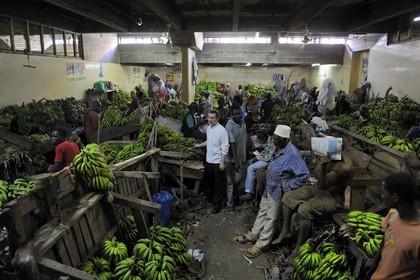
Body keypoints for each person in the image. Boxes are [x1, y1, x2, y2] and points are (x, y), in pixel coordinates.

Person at [230, 125, 310, 258]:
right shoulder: (278, 147)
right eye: (274, 137)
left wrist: (286, 186)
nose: (274, 140)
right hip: (270, 187)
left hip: (279, 189)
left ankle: (262, 244)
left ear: (285, 139)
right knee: (263, 211)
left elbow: (304, 175)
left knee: (271, 218)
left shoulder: (293, 154)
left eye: (277, 139)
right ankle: (252, 236)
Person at [273, 148, 354, 263]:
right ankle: (286, 231)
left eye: (333, 144)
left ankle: (298, 249)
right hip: (318, 188)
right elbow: (316, 173)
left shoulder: (344, 166)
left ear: (341, 146)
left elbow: (322, 184)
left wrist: (324, 166)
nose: (330, 146)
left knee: (304, 210)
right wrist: (323, 164)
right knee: (288, 197)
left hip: (333, 196)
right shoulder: (331, 156)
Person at [366, 172, 420, 280]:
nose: (381, 196)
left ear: (395, 197)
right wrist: (376, 260)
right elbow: (387, 236)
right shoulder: (393, 214)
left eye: (383, 193)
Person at [194, 110, 229, 214]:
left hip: (218, 162)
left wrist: (222, 162)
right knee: (209, 182)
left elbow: (225, 147)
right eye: (209, 117)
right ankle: (211, 200)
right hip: (209, 161)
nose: (209, 119)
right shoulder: (209, 128)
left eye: (212, 118)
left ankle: (217, 206)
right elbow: (209, 141)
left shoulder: (222, 131)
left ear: (217, 119)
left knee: (218, 184)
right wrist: (198, 145)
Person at [240, 121, 276, 202]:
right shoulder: (270, 136)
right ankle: (249, 186)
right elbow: (267, 147)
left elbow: (270, 156)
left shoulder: (276, 139)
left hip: (268, 160)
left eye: (269, 128)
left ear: (274, 129)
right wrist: (260, 147)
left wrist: (259, 157)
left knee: (251, 168)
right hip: (264, 156)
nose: (267, 129)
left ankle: (250, 192)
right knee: (249, 162)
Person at [225, 106, 247, 211]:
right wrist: (236, 160)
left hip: (241, 156)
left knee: (238, 180)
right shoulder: (229, 125)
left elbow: (244, 140)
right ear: (232, 115)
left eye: (240, 114)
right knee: (230, 181)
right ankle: (229, 203)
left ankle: (236, 197)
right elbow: (232, 143)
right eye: (236, 114)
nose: (238, 116)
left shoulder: (243, 124)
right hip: (231, 158)